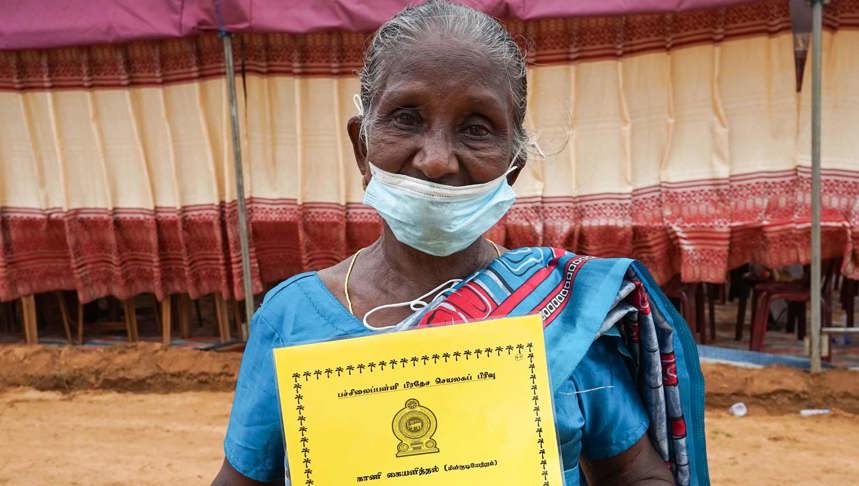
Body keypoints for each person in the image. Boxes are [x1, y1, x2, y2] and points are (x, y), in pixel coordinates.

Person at [213, 2, 707, 485]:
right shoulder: (292, 317)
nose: (436, 160)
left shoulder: (566, 314)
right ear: (361, 147)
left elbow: (636, 473)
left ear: (512, 165)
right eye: (406, 117)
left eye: (476, 128)